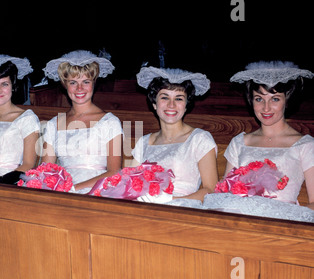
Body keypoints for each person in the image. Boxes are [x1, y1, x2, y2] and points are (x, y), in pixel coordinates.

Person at [203, 61, 314, 222]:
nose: (266, 108)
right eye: (259, 99)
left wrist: (281, 215)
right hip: (239, 221)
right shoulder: (240, 142)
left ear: (287, 100)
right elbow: (225, 194)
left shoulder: (305, 145)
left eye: (275, 99)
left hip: (281, 225)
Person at [132, 66, 218, 203]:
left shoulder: (199, 139)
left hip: (182, 208)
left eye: (178, 99)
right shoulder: (143, 142)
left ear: (186, 105)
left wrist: (171, 202)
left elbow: (210, 189)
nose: (171, 105)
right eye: (165, 97)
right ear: (154, 103)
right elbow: (129, 184)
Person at [41, 50, 123, 194]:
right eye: (73, 82)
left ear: (94, 83)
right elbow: (46, 170)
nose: (80, 88)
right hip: (61, 191)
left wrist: (73, 189)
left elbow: (114, 172)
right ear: (65, 85)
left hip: (99, 191)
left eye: (86, 82)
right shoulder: (54, 124)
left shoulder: (110, 122)